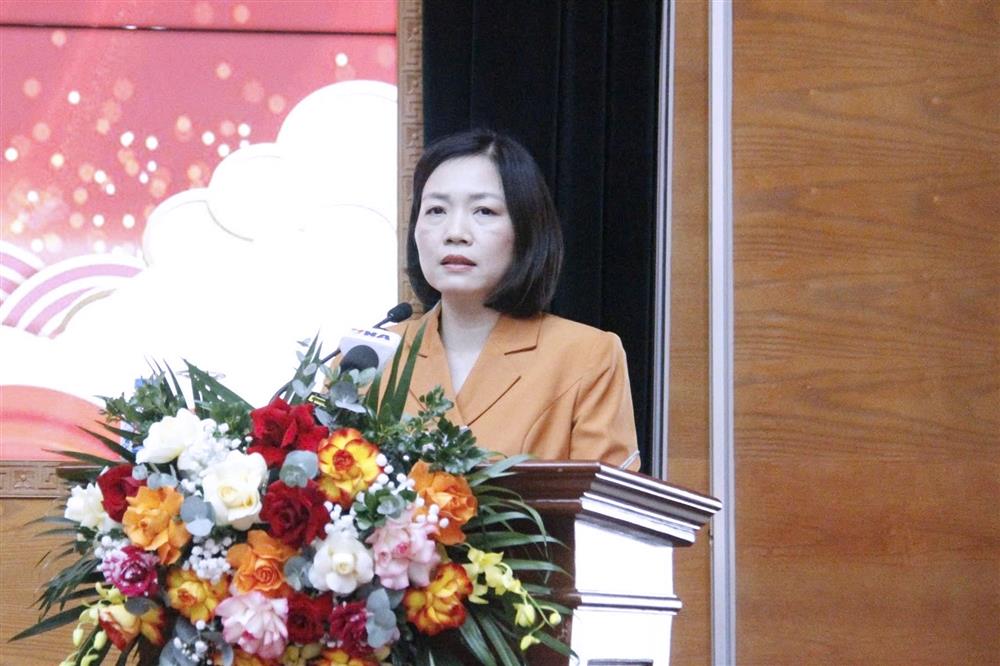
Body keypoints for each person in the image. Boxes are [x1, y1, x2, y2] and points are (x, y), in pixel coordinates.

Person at [394, 129, 640, 470]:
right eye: (436, 210)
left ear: (525, 229)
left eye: (484, 211)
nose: (455, 233)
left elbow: (605, 501)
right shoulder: (370, 358)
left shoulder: (587, 356)